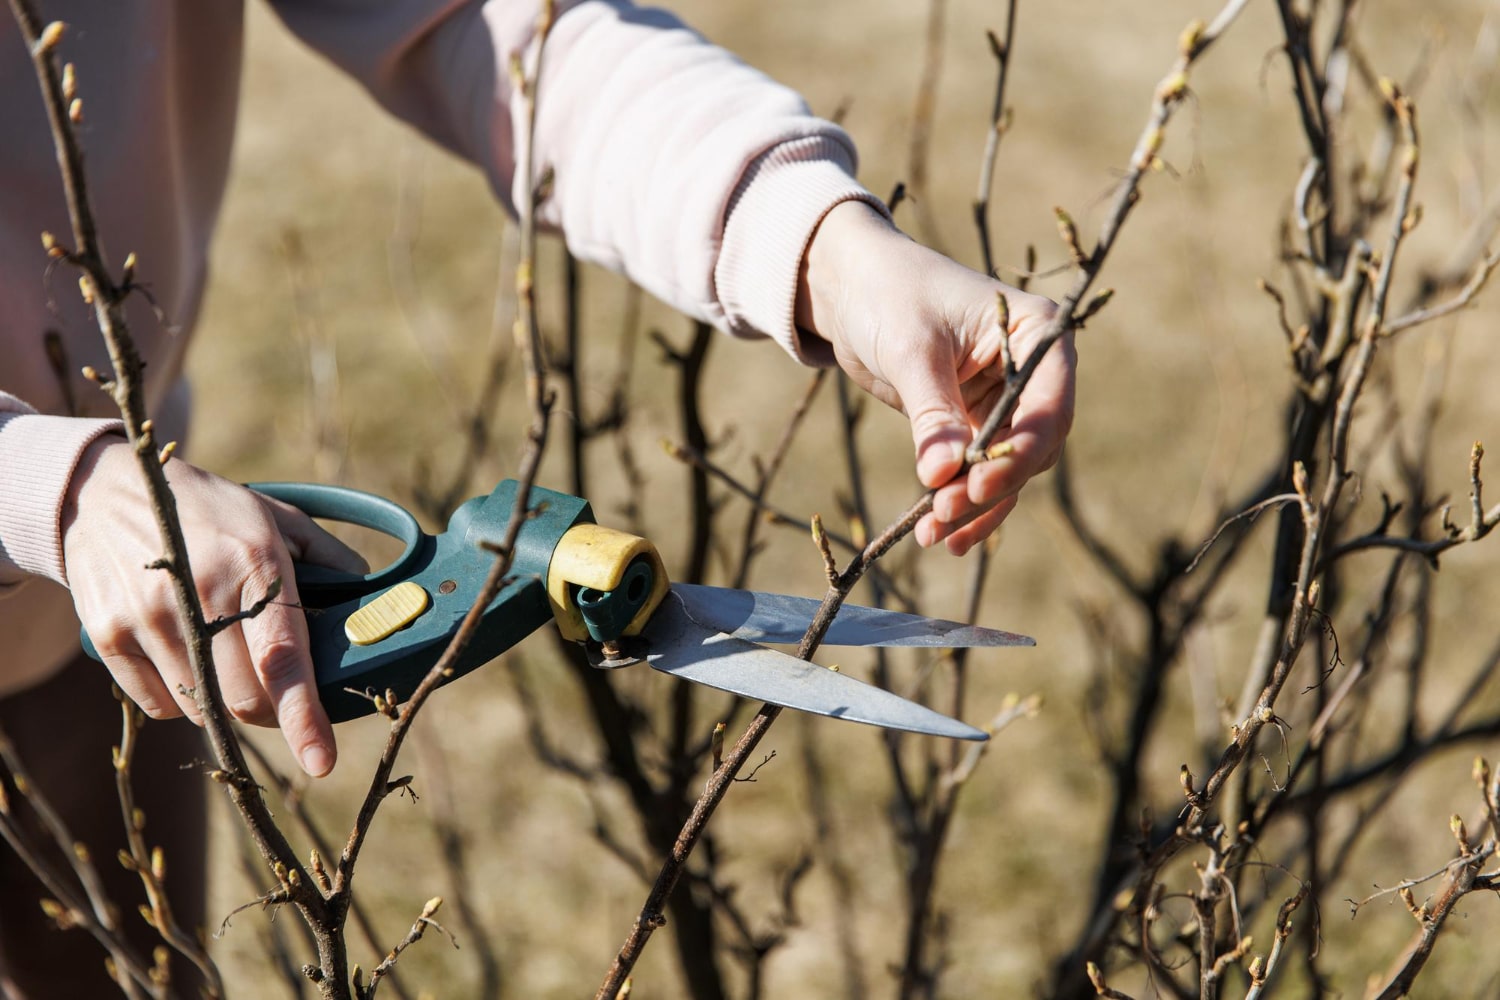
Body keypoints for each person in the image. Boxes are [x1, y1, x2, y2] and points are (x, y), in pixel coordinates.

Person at [0, 1, 1074, 995]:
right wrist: (59, 488)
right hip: (101, 548)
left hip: (105, 636)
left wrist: (823, 244)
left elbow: (482, 21)